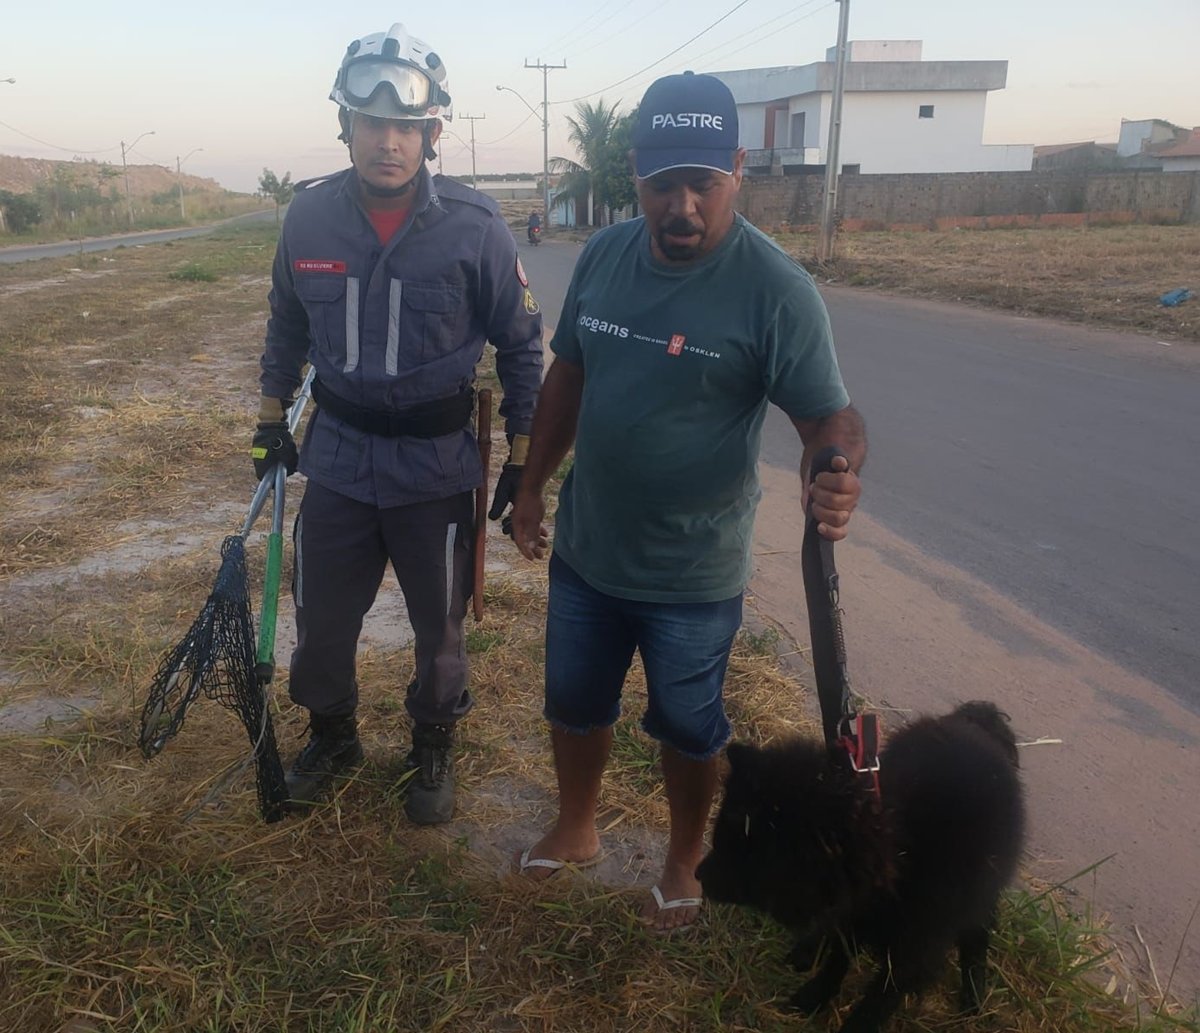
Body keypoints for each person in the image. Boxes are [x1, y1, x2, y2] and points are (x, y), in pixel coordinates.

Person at [508, 71, 866, 931]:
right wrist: (528, 484)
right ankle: (579, 823)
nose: (682, 207)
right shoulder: (603, 254)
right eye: (663, 184)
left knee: (688, 724)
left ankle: (683, 855)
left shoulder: (775, 290)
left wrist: (838, 467)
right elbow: (570, 372)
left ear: (737, 167)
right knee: (574, 701)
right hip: (590, 551)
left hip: (695, 570)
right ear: (633, 172)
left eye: (703, 184)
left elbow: (827, 414)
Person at [252, 23, 543, 824]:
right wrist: (270, 418)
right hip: (339, 460)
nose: (388, 141)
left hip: (435, 469)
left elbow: (522, 347)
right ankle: (334, 734)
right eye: (371, 123)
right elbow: (285, 324)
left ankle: (433, 742)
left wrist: (523, 457)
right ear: (344, 125)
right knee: (319, 622)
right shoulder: (306, 221)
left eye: (406, 128)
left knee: (439, 629)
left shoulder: (476, 229)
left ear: (432, 133)